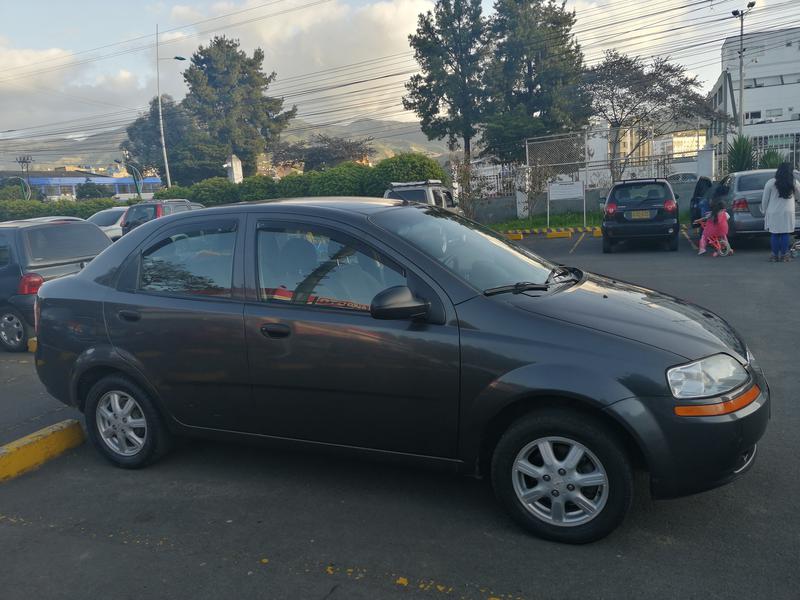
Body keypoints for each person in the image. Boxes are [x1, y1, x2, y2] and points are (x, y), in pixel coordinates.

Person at [762, 162, 800, 262]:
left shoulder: (770, 182)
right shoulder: (794, 183)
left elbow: (765, 199)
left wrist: (764, 210)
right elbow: (799, 196)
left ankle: (774, 256)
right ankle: (785, 256)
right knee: (785, 233)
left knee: (774, 234)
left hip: (773, 211)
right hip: (788, 212)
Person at [698, 188, 730, 256]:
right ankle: (728, 248)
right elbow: (728, 218)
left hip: (712, 231)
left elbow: (705, 218)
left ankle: (702, 249)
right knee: (723, 236)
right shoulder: (725, 213)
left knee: (704, 236)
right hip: (723, 230)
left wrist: (698, 220)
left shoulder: (712, 214)